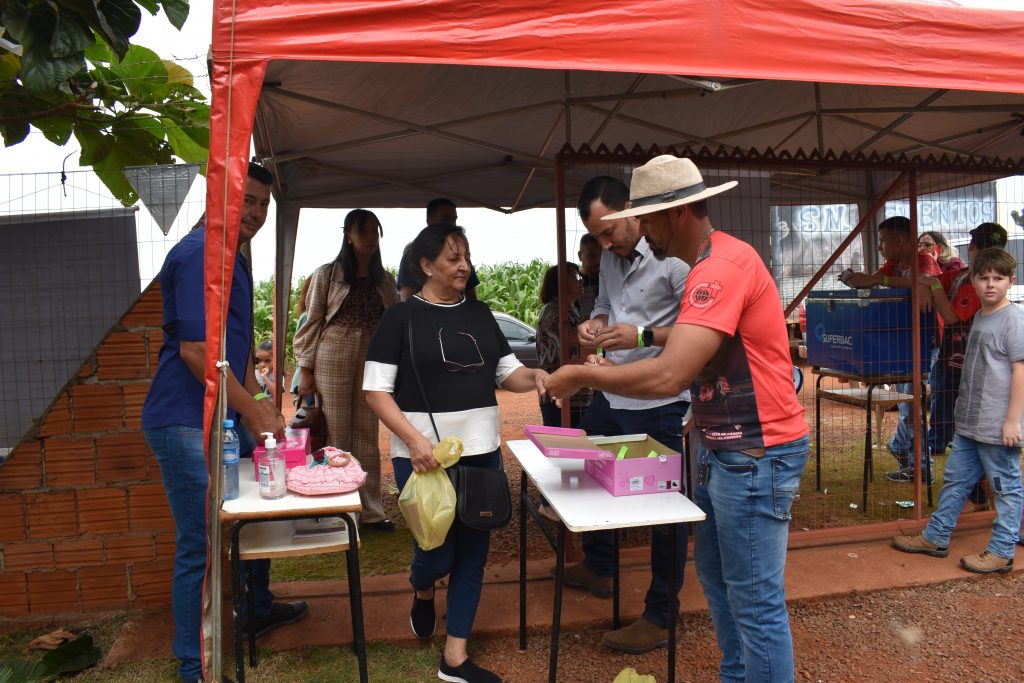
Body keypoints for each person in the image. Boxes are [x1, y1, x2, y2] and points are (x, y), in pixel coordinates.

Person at [546, 154, 809, 683]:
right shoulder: (710, 266)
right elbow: (694, 350)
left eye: (645, 218)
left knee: (755, 603)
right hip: (724, 448)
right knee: (718, 582)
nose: (641, 230)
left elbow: (670, 376)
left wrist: (584, 376)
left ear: (676, 214)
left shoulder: (719, 269)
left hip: (756, 452)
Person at [141, 162, 307, 683]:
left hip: (219, 421)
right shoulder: (198, 255)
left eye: (263, 204)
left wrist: (261, 403)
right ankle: (194, 667)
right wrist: (254, 408)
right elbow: (195, 353)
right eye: (248, 200)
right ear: (221, 197)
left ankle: (256, 607)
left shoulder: (233, 259)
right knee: (201, 545)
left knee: (250, 517)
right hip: (185, 420)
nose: (255, 212)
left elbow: (230, 356)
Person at [364, 222, 548, 683]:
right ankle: (422, 586)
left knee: (473, 553)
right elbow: (376, 391)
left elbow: (510, 376)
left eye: (466, 255)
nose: (463, 265)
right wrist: (414, 440)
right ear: (426, 265)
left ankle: (455, 657)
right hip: (422, 458)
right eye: (452, 257)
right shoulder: (400, 319)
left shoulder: (481, 315)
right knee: (435, 552)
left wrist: (545, 376)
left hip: (482, 453)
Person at [555, 175, 691, 655]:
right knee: (582, 466)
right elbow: (606, 306)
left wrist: (640, 336)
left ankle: (660, 614)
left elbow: (698, 333)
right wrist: (596, 325)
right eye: (596, 238)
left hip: (658, 402)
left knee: (663, 511)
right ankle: (599, 563)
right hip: (614, 396)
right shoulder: (611, 259)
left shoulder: (675, 262)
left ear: (630, 209)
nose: (604, 244)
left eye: (607, 232)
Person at [892, 247, 1024, 574]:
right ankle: (936, 535)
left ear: (1011, 281)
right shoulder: (981, 315)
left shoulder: (1014, 320)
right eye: (983, 278)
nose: (990, 284)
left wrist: (1011, 421)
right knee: (955, 479)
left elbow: (1020, 372)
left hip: (996, 424)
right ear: (973, 281)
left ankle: (1002, 550)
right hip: (969, 422)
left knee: (1005, 486)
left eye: (998, 278)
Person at [294, 209, 399, 531]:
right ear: (348, 235)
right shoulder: (328, 274)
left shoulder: (385, 280)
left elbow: (394, 326)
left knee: (368, 433)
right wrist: (305, 368)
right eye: (362, 230)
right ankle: (337, 509)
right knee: (336, 432)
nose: (369, 237)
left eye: (374, 231)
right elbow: (311, 321)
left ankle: (370, 511)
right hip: (332, 353)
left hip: (371, 357)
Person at [843, 215, 942, 483]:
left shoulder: (924, 261)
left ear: (900, 240)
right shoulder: (894, 264)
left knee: (911, 405)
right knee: (907, 403)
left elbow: (922, 283)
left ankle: (921, 466)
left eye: (884, 240)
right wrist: (857, 278)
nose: (880, 247)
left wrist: (876, 281)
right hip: (904, 342)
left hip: (927, 341)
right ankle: (907, 455)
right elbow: (875, 279)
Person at [918, 222, 1009, 506]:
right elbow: (928, 281)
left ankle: (983, 493)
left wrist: (932, 286)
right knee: (957, 427)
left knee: (976, 434)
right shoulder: (961, 276)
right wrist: (928, 283)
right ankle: (975, 492)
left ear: (974, 247)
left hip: (973, 367)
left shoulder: (977, 282)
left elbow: (953, 315)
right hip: (952, 361)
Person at [536, 262, 592, 428]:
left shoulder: (569, 309)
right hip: (560, 395)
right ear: (559, 282)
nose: (581, 281)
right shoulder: (555, 312)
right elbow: (569, 351)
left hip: (572, 395)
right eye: (575, 276)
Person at [397, 198, 480, 301]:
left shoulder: (461, 254)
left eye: (454, 219)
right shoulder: (413, 254)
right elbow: (406, 297)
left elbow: (471, 295)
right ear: (429, 221)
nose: (451, 224)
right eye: (446, 218)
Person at [577, 233, 602, 319]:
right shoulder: (572, 282)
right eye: (592, 256)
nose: (598, 261)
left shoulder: (608, 280)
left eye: (602, 256)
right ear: (580, 256)